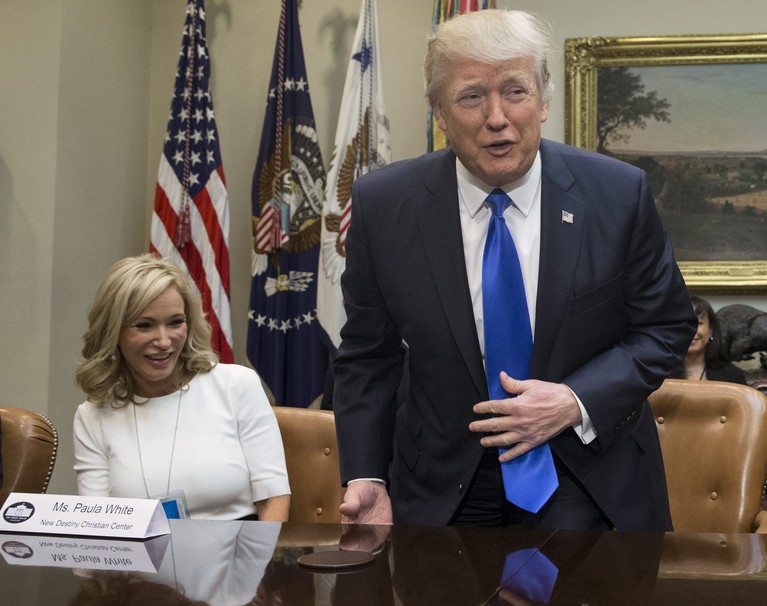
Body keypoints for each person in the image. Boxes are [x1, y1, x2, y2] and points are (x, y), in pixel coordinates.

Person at [331, 9, 696, 531]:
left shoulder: (617, 195)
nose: (496, 117)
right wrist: (366, 474)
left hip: (585, 478)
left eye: (515, 91)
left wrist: (574, 400)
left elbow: (665, 328)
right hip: (442, 489)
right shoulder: (384, 205)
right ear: (439, 110)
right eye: (471, 96)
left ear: (545, 100)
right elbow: (367, 355)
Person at [73, 254, 290, 521]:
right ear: (113, 331)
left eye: (175, 322)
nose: (164, 341)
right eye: (145, 325)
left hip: (236, 557)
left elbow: (273, 499)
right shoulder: (93, 415)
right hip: (139, 561)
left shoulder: (237, 385)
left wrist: (257, 561)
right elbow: (95, 524)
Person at [669, 295, 746, 384]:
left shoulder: (733, 376)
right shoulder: (657, 373)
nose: (691, 330)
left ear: (710, 330)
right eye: (682, 323)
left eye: (698, 323)